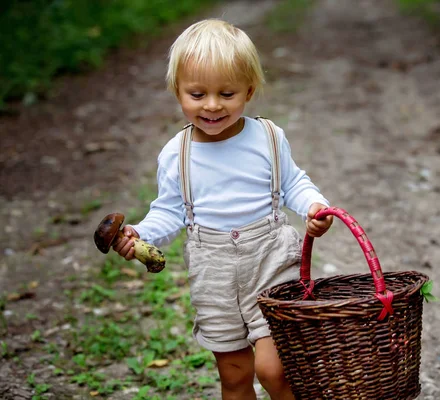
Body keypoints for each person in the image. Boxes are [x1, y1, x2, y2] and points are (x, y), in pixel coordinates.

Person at [111, 19, 333, 400]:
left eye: (226, 93)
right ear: (177, 91)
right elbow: (170, 212)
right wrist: (141, 233)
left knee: (274, 370)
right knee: (234, 377)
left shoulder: (267, 137)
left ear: (248, 90)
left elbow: (293, 182)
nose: (212, 105)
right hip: (213, 275)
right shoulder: (176, 154)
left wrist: (315, 206)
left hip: (271, 259)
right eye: (197, 94)